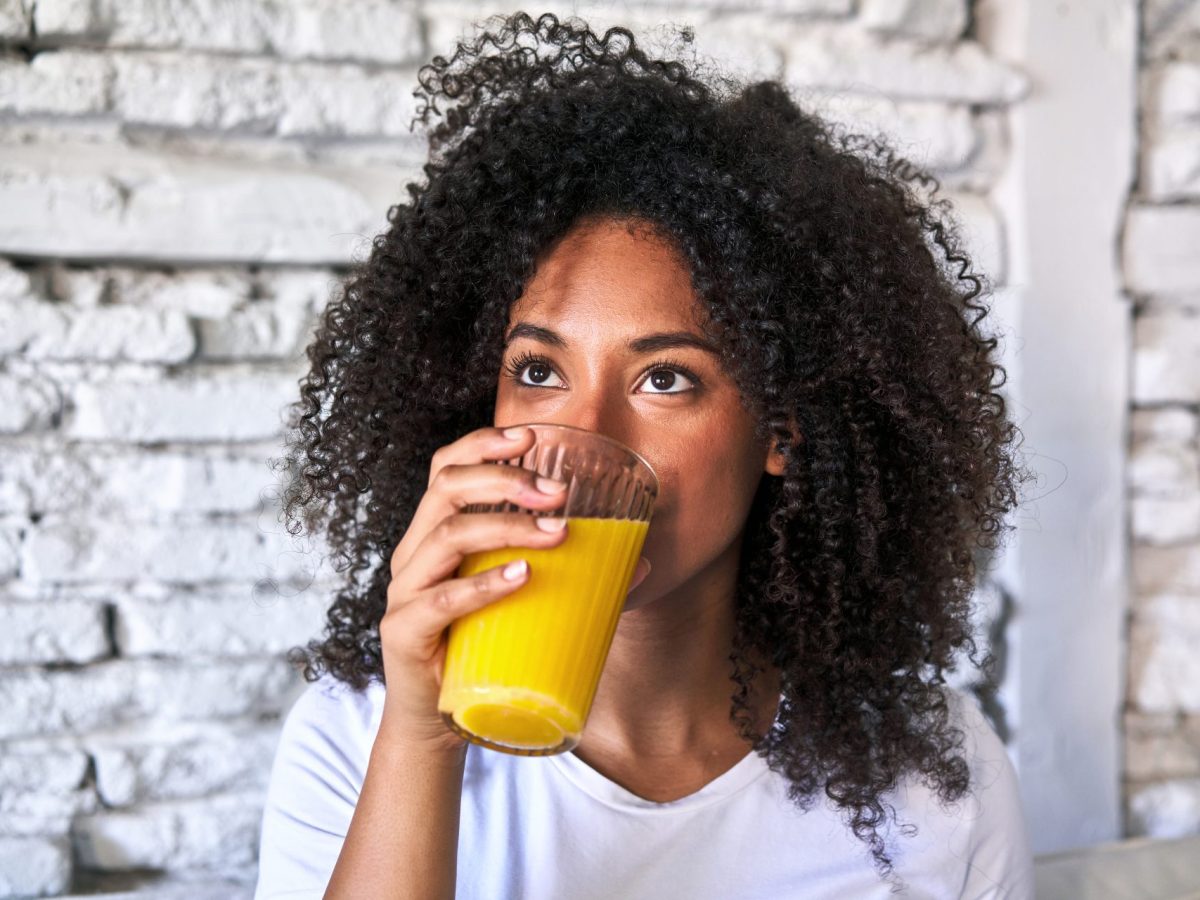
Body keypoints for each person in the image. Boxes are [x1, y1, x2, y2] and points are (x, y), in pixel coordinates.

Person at [254, 11, 1035, 899]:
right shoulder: (358, 739)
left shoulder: (936, 779)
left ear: (782, 429)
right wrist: (421, 744)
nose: (582, 440)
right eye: (540, 369)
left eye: (665, 379)